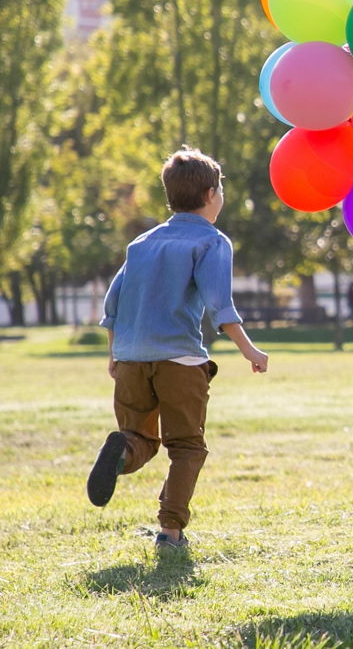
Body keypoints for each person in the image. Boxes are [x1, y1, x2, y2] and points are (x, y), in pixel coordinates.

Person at [87, 148, 270, 550]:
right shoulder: (211, 242)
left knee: (140, 439)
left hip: (132, 358)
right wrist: (251, 351)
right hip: (179, 360)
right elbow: (220, 306)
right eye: (220, 190)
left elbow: (112, 304)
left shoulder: (142, 243)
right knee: (186, 446)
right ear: (210, 195)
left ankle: (122, 452)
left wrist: (114, 354)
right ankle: (170, 532)